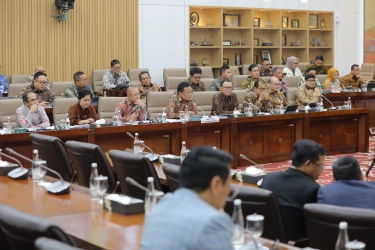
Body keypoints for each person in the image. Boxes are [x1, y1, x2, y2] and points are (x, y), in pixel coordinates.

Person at [141, 146, 234, 250]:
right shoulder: (212, 222)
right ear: (216, 184)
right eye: (228, 185)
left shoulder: (158, 208)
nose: (229, 191)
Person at [261, 139, 326, 241]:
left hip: (264, 240)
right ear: (308, 164)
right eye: (321, 166)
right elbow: (317, 227)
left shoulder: (269, 178)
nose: (322, 170)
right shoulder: (313, 189)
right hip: (297, 244)